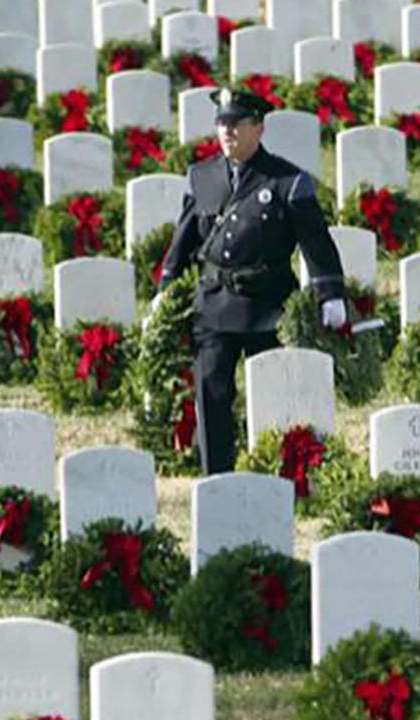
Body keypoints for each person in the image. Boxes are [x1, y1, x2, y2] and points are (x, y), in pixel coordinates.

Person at [153, 88, 348, 475]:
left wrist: (331, 293)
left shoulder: (287, 181)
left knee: (275, 398)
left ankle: (277, 473)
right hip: (214, 302)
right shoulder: (202, 176)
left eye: (237, 124)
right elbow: (185, 237)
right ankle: (218, 476)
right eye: (222, 123)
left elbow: (316, 242)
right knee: (211, 392)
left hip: (268, 307)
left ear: (258, 127)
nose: (227, 132)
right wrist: (166, 286)